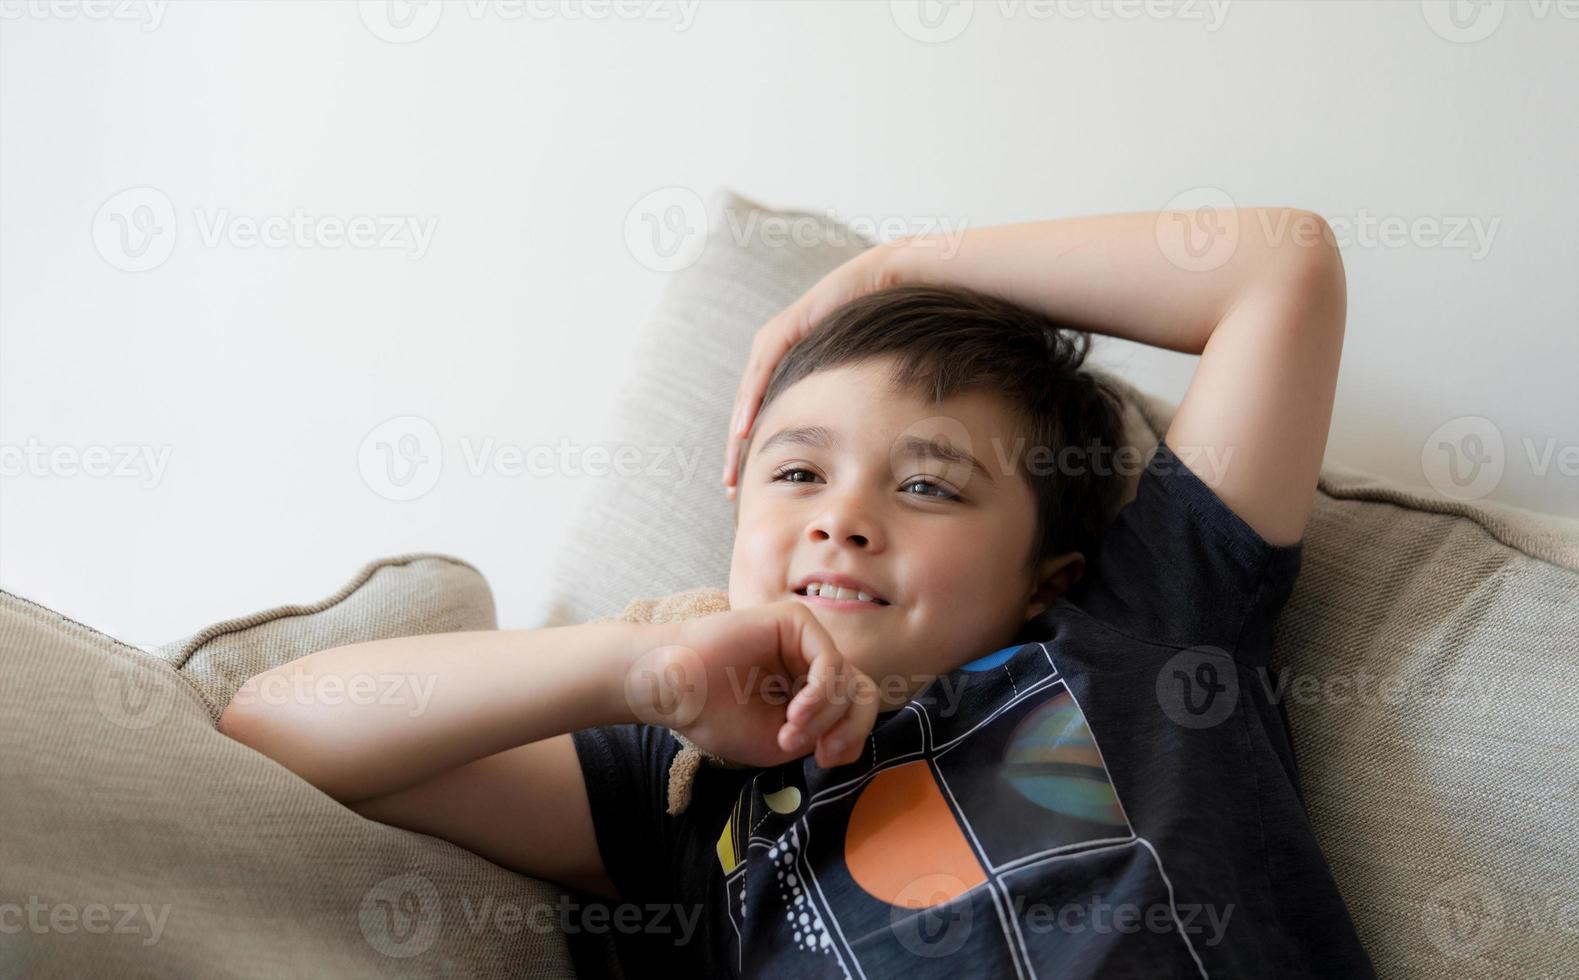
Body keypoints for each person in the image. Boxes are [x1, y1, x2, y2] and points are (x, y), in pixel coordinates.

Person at [219, 207, 1372, 977]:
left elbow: (1282, 267)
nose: (841, 515)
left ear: (1045, 578)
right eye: (798, 473)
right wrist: (639, 671)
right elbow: (272, 722)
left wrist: (893, 271)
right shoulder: (686, 777)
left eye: (928, 482)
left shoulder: (1137, 625)